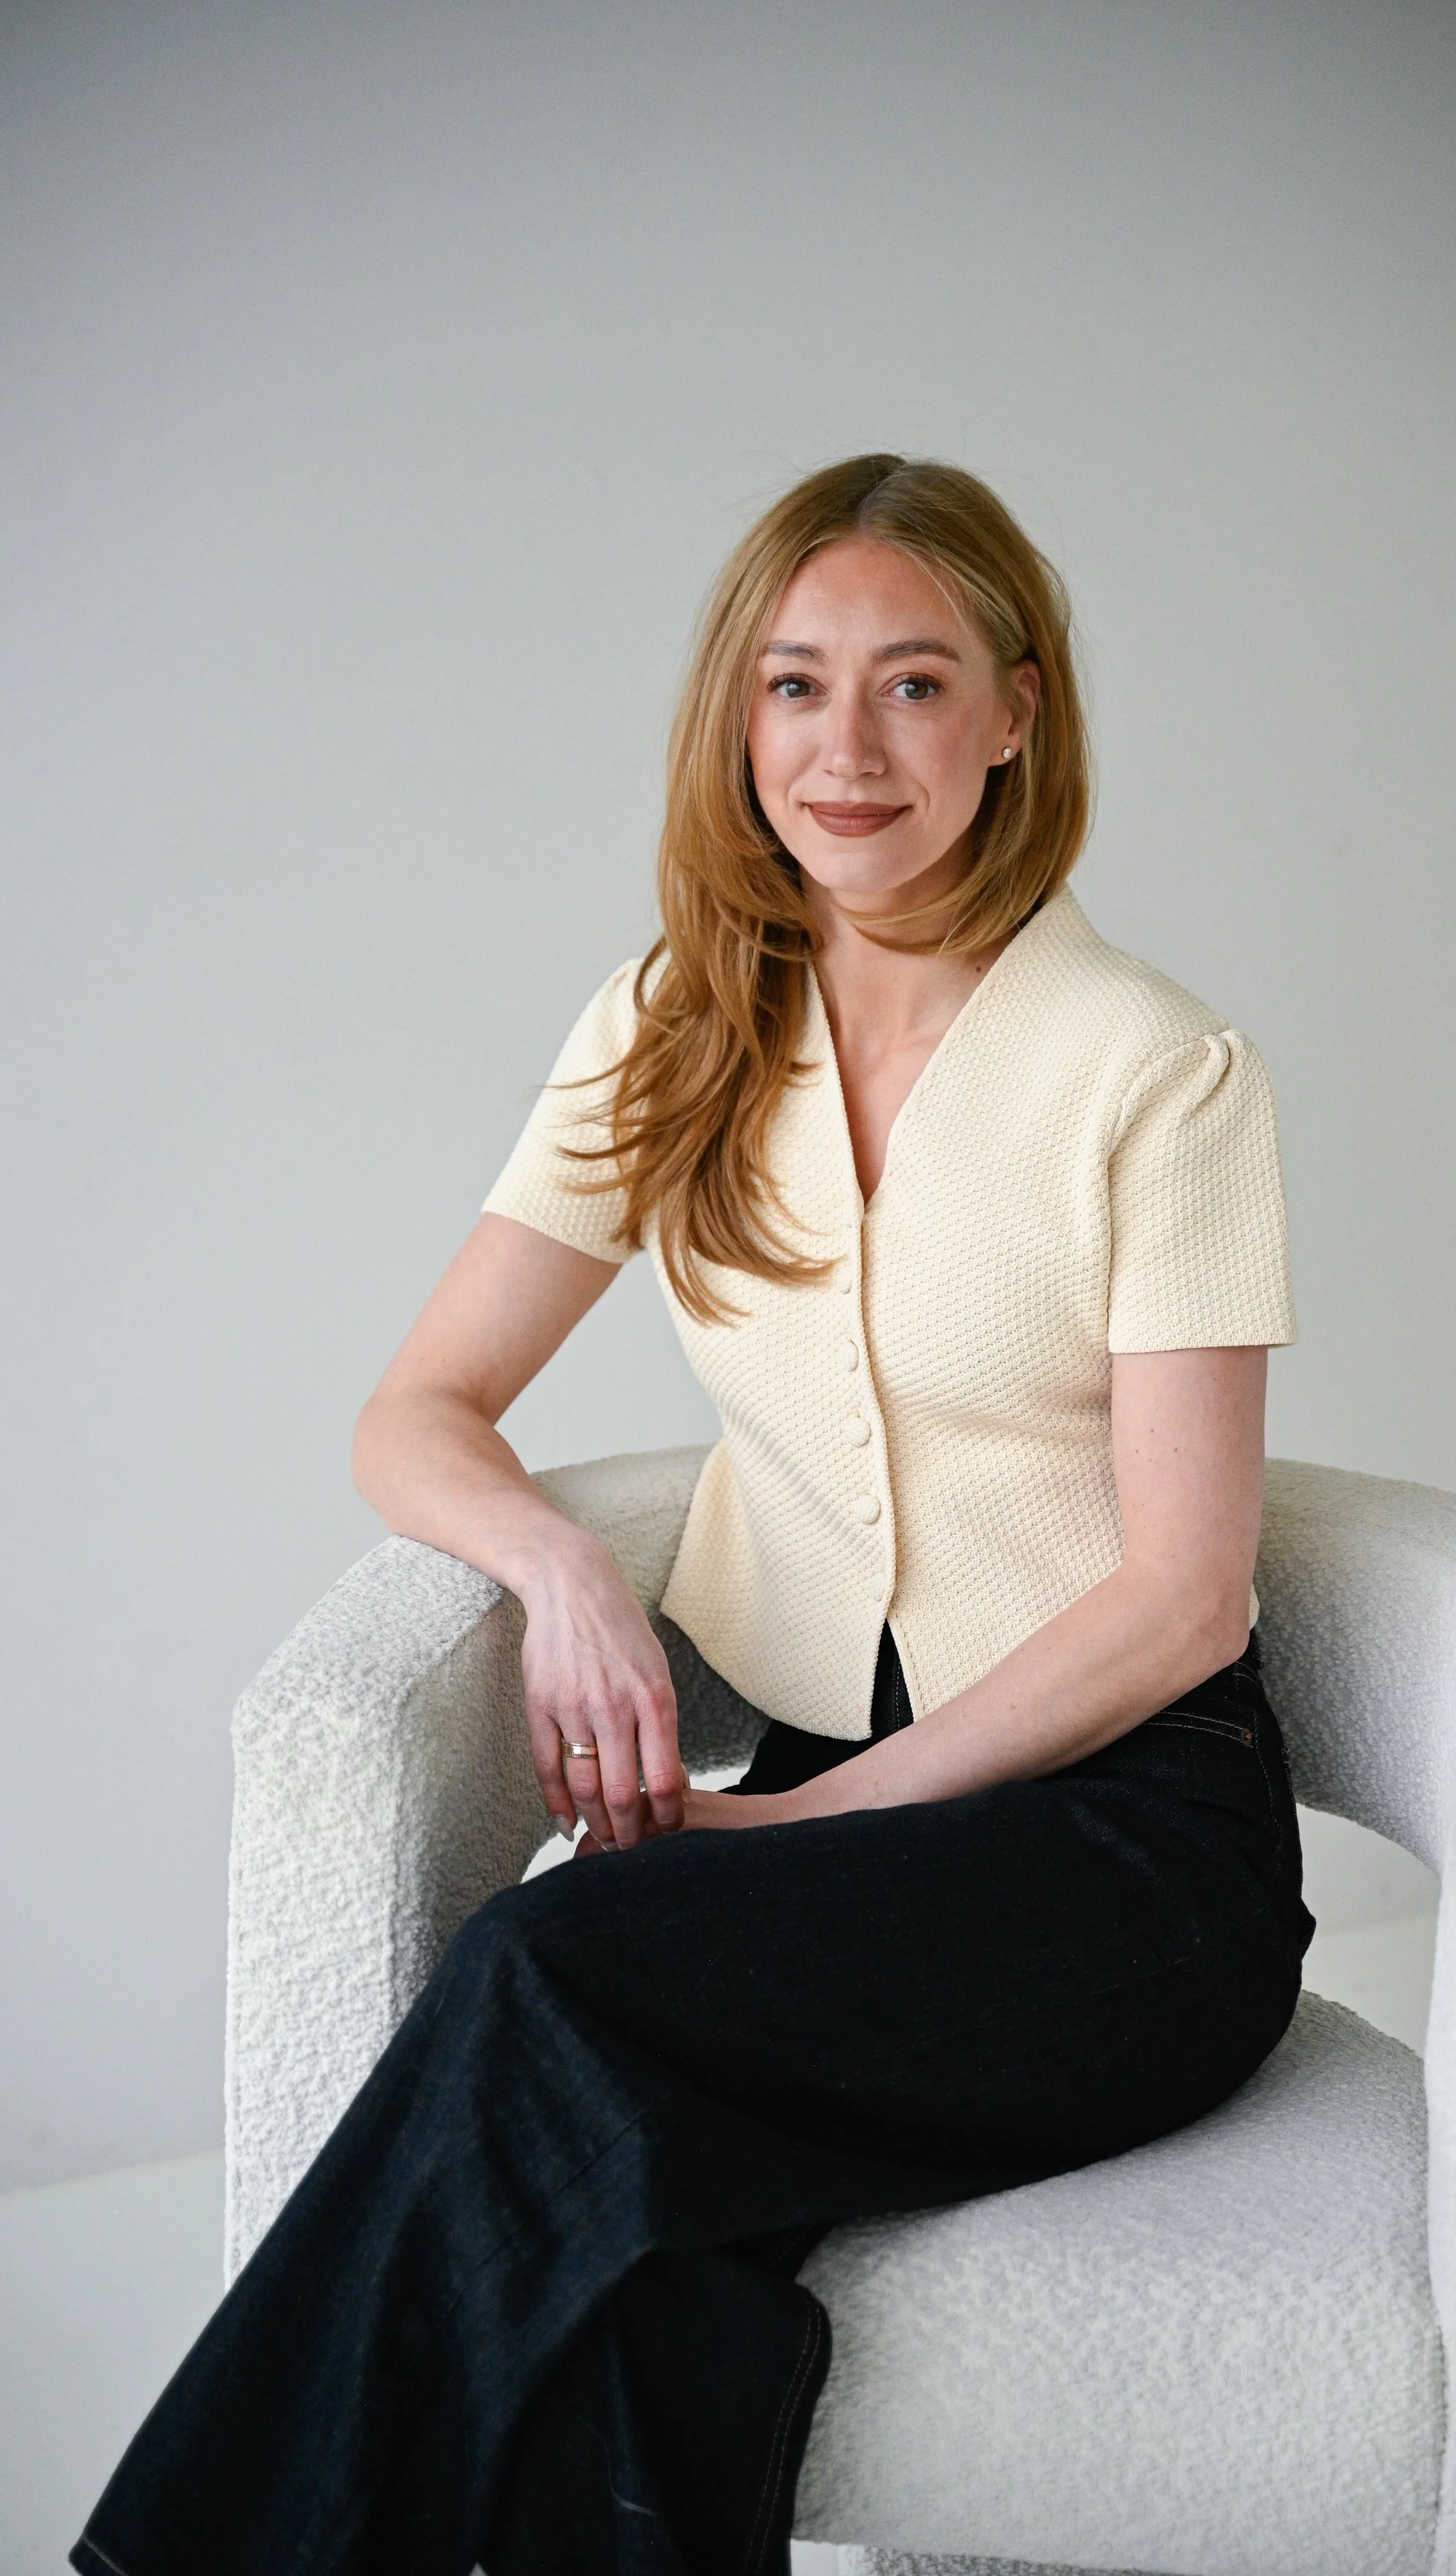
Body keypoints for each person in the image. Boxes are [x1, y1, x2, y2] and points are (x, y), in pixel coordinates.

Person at [72, 453, 1313, 2576]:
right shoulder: (673, 1024)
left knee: (547, 1969)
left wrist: (810, 1831)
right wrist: (565, 1567)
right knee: (633, 2253)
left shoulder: (1153, 1066)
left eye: (915, 685)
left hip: (1130, 1851)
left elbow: (1190, 1594)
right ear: (736, 724)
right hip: (828, 1809)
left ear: (1015, 712)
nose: (848, 749)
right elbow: (418, 1409)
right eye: (795, 684)